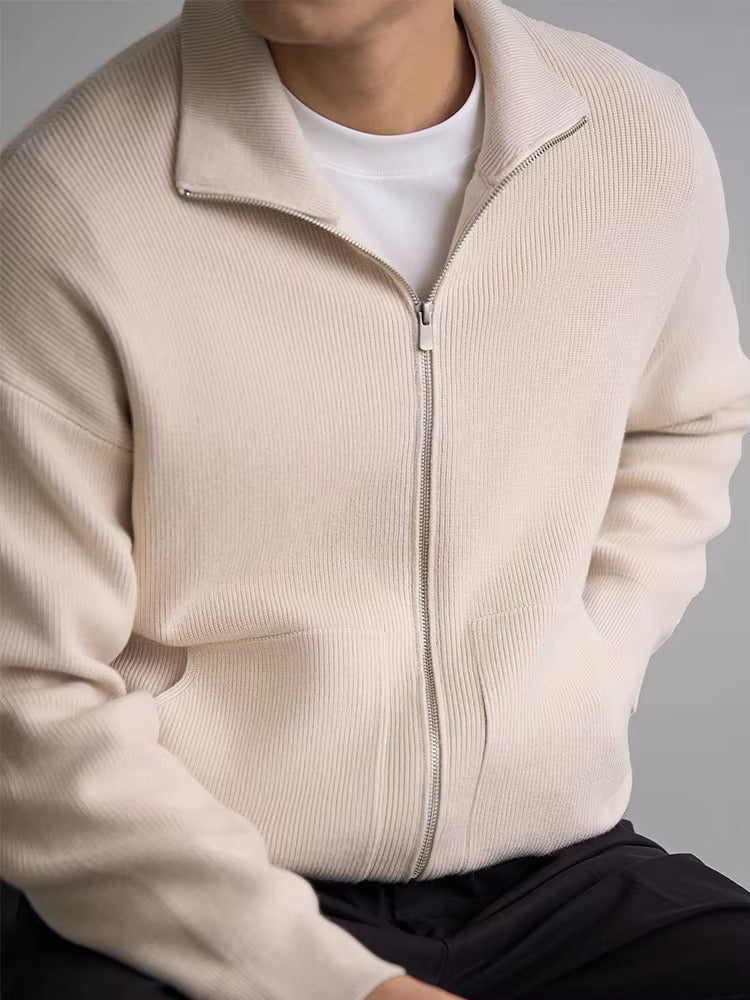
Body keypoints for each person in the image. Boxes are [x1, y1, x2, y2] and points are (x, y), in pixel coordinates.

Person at [1, 0, 750, 997]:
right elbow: (26, 687)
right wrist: (344, 987)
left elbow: (686, 420)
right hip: (184, 884)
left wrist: (587, 659)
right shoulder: (72, 199)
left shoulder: (635, 138)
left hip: (549, 876)